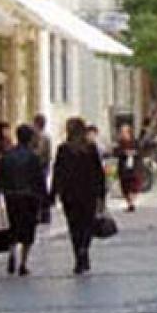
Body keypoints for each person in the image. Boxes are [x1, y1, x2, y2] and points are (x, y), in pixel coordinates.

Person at [52, 117, 106, 274]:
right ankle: (84, 248)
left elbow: (58, 173)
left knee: (74, 226)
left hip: (70, 195)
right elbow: (99, 173)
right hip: (88, 193)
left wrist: (54, 193)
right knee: (87, 224)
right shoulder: (90, 148)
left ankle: (78, 255)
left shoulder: (63, 149)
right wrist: (101, 194)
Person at [0, 125, 46, 275]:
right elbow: (39, 179)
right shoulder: (33, 157)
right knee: (28, 230)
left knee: (14, 226)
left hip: (11, 196)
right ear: (30, 138)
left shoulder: (7, 156)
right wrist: (45, 200)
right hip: (29, 197)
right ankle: (23, 263)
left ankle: (12, 253)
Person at [113, 123, 141, 212]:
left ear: (129, 132)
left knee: (135, 186)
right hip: (124, 168)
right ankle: (130, 204)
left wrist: (134, 152)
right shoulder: (119, 143)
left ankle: (131, 203)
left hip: (134, 167)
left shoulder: (135, 142)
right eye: (121, 132)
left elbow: (140, 151)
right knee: (125, 187)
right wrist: (124, 153)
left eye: (124, 132)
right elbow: (116, 152)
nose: (122, 133)